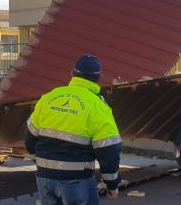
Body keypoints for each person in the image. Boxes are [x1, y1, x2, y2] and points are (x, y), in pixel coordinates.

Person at [25, 54, 121, 205]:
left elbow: (30, 136)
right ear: (99, 77)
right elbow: (109, 149)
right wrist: (112, 184)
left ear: (72, 74)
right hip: (76, 180)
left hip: (44, 177)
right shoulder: (98, 106)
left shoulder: (49, 97)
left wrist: (40, 158)